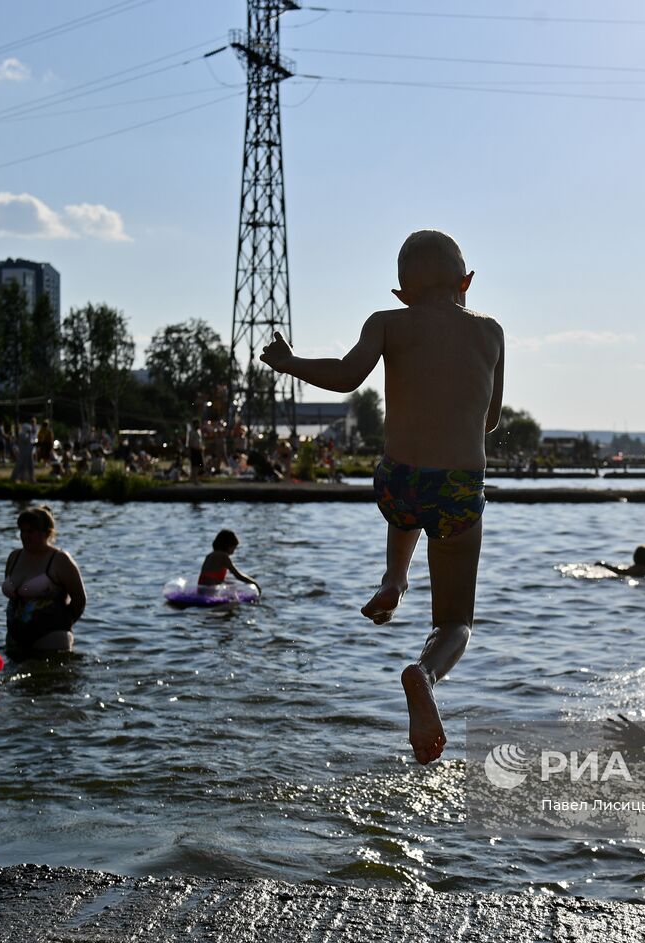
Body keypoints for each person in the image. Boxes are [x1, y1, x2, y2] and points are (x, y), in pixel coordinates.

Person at [260, 229, 504, 765]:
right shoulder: (491, 332)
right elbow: (492, 420)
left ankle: (395, 576)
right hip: (459, 486)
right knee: (455, 620)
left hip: (398, 482)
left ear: (401, 294)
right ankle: (425, 674)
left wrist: (289, 362)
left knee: (407, 496)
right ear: (466, 282)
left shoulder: (387, 323)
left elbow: (347, 377)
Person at [2, 506, 87, 656]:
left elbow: (79, 599)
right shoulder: (14, 557)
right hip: (15, 639)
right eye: (22, 531)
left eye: (31, 532)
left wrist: (62, 622)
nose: (24, 536)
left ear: (47, 533)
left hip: (51, 639)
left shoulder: (60, 560)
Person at [187, 420, 204, 485]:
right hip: (194, 450)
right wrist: (189, 451)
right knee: (195, 466)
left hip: (198, 450)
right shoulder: (191, 432)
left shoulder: (198, 432)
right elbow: (190, 443)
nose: (199, 425)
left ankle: (194, 478)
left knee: (198, 466)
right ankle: (195, 480)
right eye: (198, 424)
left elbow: (199, 442)